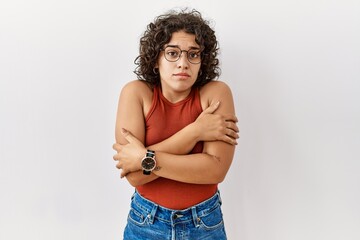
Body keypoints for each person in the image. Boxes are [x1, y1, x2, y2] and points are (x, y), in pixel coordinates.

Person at [112, 8, 239, 240]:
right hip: (145, 221)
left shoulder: (216, 93)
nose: (183, 63)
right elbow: (134, 176)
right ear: (156, 60)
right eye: (172, 53)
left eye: (193, 54)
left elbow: (215, 169)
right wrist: (195, 131)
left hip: (204, 222)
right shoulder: (136, 93)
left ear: (203, 60)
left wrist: (144, 158)